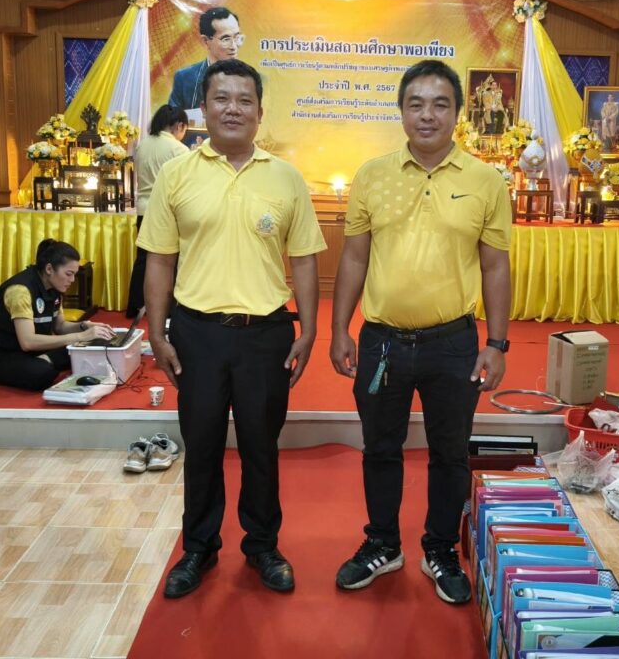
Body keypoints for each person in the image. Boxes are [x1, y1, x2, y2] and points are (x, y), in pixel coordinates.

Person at [140, 59, 326, 598]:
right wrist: (157, 332)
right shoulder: (177, 174)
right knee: (200, 445)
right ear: (203, 107)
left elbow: (305, 260)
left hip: (265, 334)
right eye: (222, 98)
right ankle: (198, 548)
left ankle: (263, 545)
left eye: (245, 100)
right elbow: (159, 259)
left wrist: (308, 330)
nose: (233, 109)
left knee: (260, 446)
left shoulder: (285, 178)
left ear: (260, 111)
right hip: (196, 333)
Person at [330, 59, 512, 605]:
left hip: (453, 344)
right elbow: (354, 258)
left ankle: (440, 549)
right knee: (380, 448)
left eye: (439, 104)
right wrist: (340, 328)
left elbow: (495, 266)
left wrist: (496, 343)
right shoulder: (372, 176)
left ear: (457, 113)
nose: (427, 115)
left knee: (450, 452)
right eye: (416, 104)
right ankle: (383, 543)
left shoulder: (485, 181)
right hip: (382, 341)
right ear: (402, 111)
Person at [0, 239, 116, 391]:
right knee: (42, 373)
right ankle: (42, 362)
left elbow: (60, 327)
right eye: (69, 274)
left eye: (74, 275)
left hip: (24, 351)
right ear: (49, 269)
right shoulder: (20, 291)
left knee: (83, 349)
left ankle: (44, 360)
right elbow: (28, 342)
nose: (72, 280)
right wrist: (80, 336)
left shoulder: (55, 287)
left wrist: (84, 326)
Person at [125, 104, 189, 318]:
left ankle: (135, 306)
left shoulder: (143, 146)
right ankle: (168, 309)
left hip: (143, 209)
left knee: (143, 260)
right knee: (169, 261)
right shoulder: (178, 149)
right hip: (167, 211)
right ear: (179, 125)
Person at [167, 7, 243, 111]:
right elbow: (172, 118)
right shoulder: (185, 78)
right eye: (226, 39)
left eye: (237, 37)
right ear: (206, 41)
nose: (234, 46)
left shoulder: (250, 79)